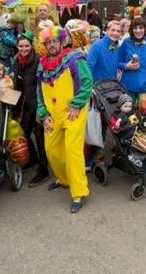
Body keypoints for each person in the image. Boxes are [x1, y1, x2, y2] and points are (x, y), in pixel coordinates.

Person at [36, 26, 93, 213]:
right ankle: (63, 179)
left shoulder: (74, 58)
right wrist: (43, 113)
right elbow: (39, 92)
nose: (51, 45)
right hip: (52, 113)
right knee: (51, 148)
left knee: (72, 150)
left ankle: (79, 191)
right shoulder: (42, 64)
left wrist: (77, 104)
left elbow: (87, 82)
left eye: (54, 41)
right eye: (48, 42)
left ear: (62, 42)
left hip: (73, 111)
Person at [11, 31, 49, 186]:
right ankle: (33, 159)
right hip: (26, 104)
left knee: (40, 137)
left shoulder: (38, 60)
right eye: (21, 46)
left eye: (26, 46)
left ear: (31, 46)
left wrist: (44, 108)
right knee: (24, 132)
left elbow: (44, 84)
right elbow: (17, 83)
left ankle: (43, 169)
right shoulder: (18, 60)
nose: (24, 49)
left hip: (39, 104)